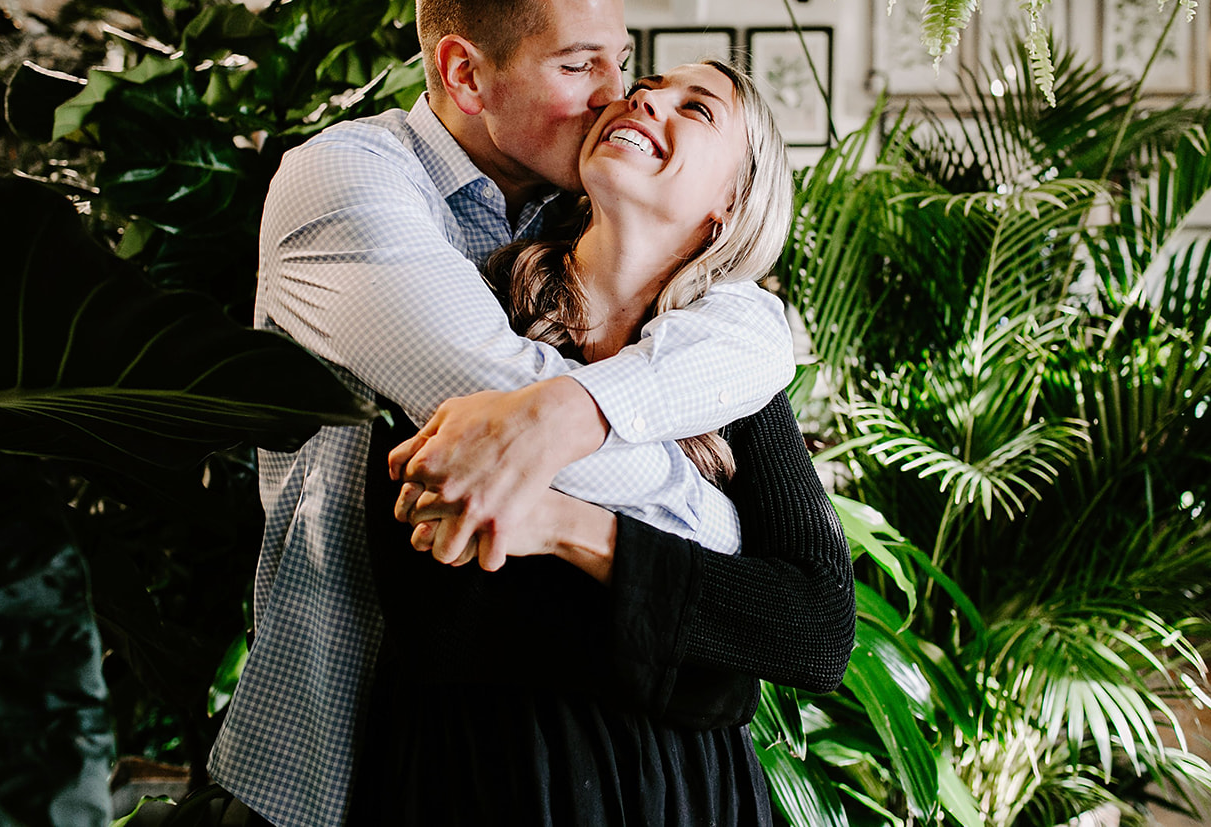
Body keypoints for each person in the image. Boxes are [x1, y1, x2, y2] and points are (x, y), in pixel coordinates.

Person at [208, 0, 798, 827]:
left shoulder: (581, 222)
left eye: (621, 60)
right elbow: (492, 393)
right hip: (345, 744)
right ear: (463, 74)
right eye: (578, 66)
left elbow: (757, 330)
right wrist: (709, 528)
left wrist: (570, 417)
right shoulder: (351, 182)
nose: (619, 94)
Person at [355, 61, 855, 824]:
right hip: (487, 781)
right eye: (647, 84)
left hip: (688, 794)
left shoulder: (732, 381)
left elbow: (815, 628)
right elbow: (439, 605)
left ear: (730, 203)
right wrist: (703, 668)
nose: (647, 97)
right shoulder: (472, 315)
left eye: (697, 108)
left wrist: (559, 526)